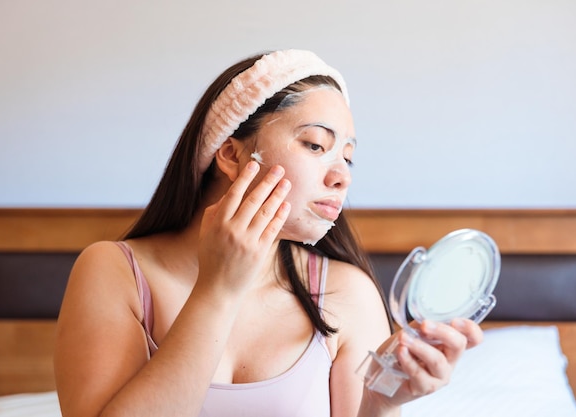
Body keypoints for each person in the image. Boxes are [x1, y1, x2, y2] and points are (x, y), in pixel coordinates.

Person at [54, 49, 482, 417]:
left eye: (347, 158)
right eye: (316, 145)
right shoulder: (114, 271)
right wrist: (218, 291)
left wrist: (382, 402)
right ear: (231, 153)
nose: (341, 177)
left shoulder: (347, 294)